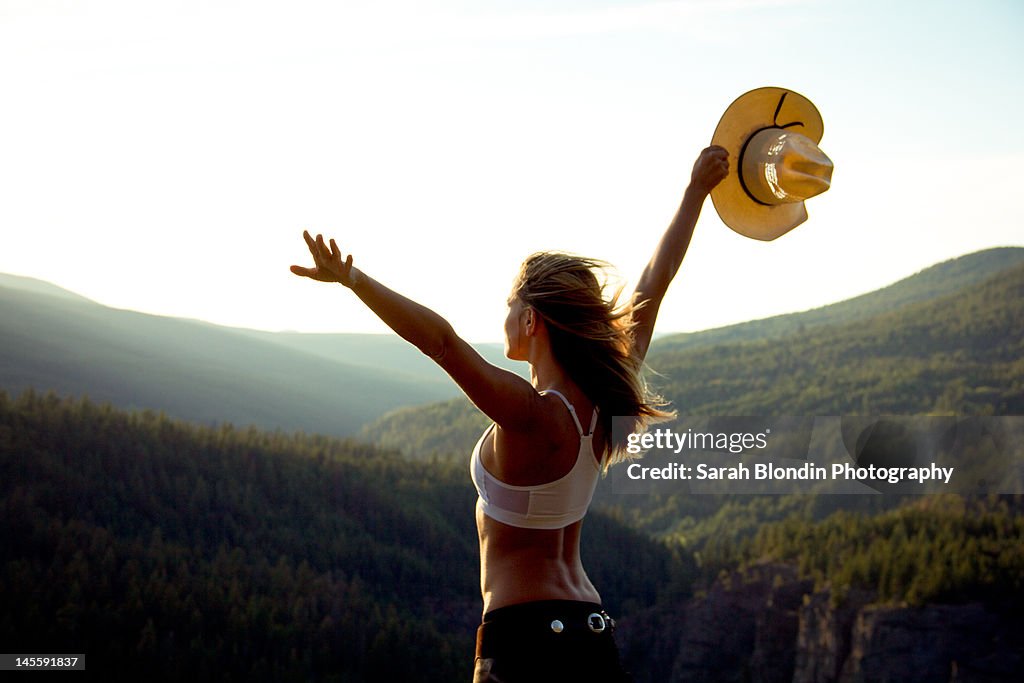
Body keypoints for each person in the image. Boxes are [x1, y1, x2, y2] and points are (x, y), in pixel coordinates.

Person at [291, 145, 729, 682]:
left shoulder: (534, 415)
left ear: (532, 321)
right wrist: (694, 193)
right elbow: (654, 282)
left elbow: (444, 344)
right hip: (591, 634)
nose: (504, 315)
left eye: (510, 305)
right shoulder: (604, 398)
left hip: (524, 645)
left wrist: (355, 281)